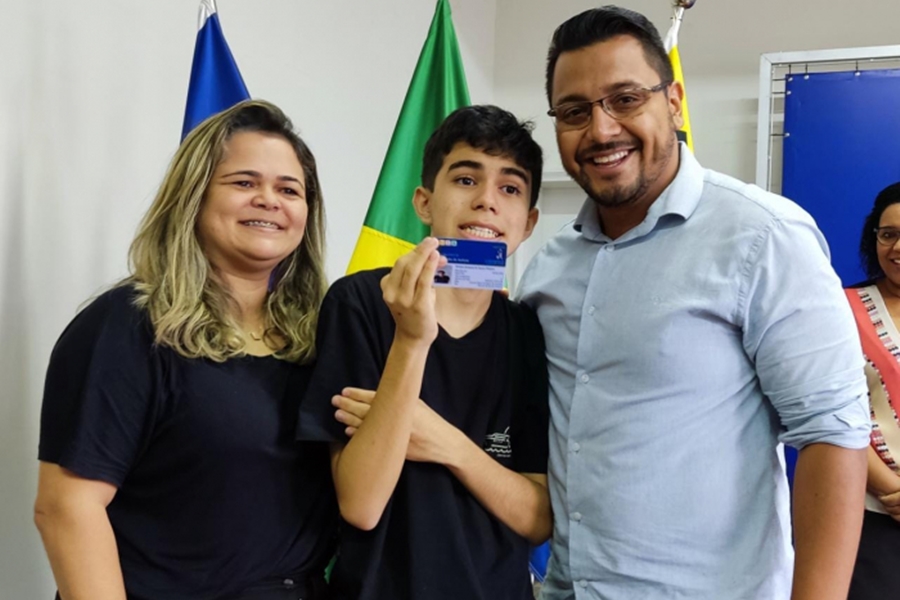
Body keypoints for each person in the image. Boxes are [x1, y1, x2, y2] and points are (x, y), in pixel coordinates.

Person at [516, 6, 871, 599]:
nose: (601, 130)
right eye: (574, 111)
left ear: (674, 102)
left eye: (625, 99)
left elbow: (833, 434)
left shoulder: (762, 236)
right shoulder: (547, 270)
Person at [34, 100, 336, 600]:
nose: (269, 200)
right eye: (244, 182)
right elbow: (67, 509)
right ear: (193, 195)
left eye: (289, 189)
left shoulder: (324, 339)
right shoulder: (128, 327)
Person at [296, 105, 551, 600]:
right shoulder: (361, 303)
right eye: (465, 179)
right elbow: (361, 504)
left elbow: (538, 518)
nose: (486, 201)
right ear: (424, 201)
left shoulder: (528, 332)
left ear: (528, 222)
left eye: (510, 188)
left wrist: (440, 439)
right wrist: (411, 340)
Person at [845, 182, 900, 599]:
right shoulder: (839, 310)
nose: (898, 247)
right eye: (888, 234)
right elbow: (827, 413)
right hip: (871, 512)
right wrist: (890, 490)